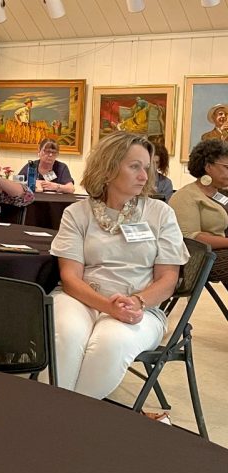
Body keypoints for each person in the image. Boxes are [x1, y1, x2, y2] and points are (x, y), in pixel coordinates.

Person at [50, 131, 188, 399]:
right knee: (66, 336)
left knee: (109, 344)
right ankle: (60, 417)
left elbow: (168, 279)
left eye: (147, 168)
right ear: (108, 168)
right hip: (80, 297)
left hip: (141, 307)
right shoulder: (77, 213)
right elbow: (70, 277)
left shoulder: (160, 214)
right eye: (135, 166)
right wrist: (106, 306)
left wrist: (135, 302)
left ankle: (61, 417)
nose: (145, 176)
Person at [169, 139, 228, 286]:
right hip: (197, 260)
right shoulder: (186, 196)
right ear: (208, 167)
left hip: (219, 253)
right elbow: (192, 238)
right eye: (227, 167)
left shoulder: (219, 194)